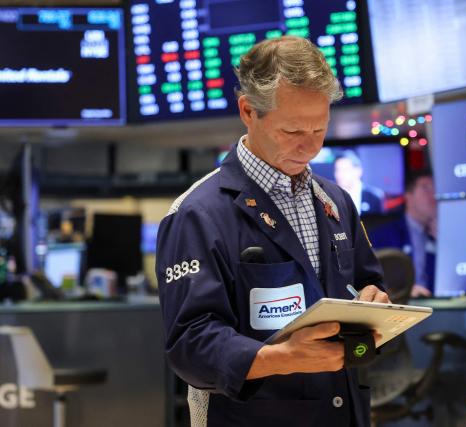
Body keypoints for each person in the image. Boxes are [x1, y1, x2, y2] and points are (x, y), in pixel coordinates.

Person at [155, 36, 389, 427]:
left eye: (319, 130)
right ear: (248, 111)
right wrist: (280, 358)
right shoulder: (197, 213)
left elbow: (367, 285)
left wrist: (375, 303)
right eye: (292, 131)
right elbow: (189, 345)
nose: (309, 147)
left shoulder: (336, 201)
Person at [369, 171, 437, 298]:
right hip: (401, 303)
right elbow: (372, 279)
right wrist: (404, 291)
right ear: (408, 195)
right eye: (426, 188)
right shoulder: (382, 235)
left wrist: (443, 241)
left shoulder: (440, 235)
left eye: (435, 188)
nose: (433, 194)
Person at [333, 150, 385, 215]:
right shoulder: (330, 196)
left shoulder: (375, 196)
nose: (339, 175)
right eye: (337, 170)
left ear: (358, 171)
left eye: (344, 170)